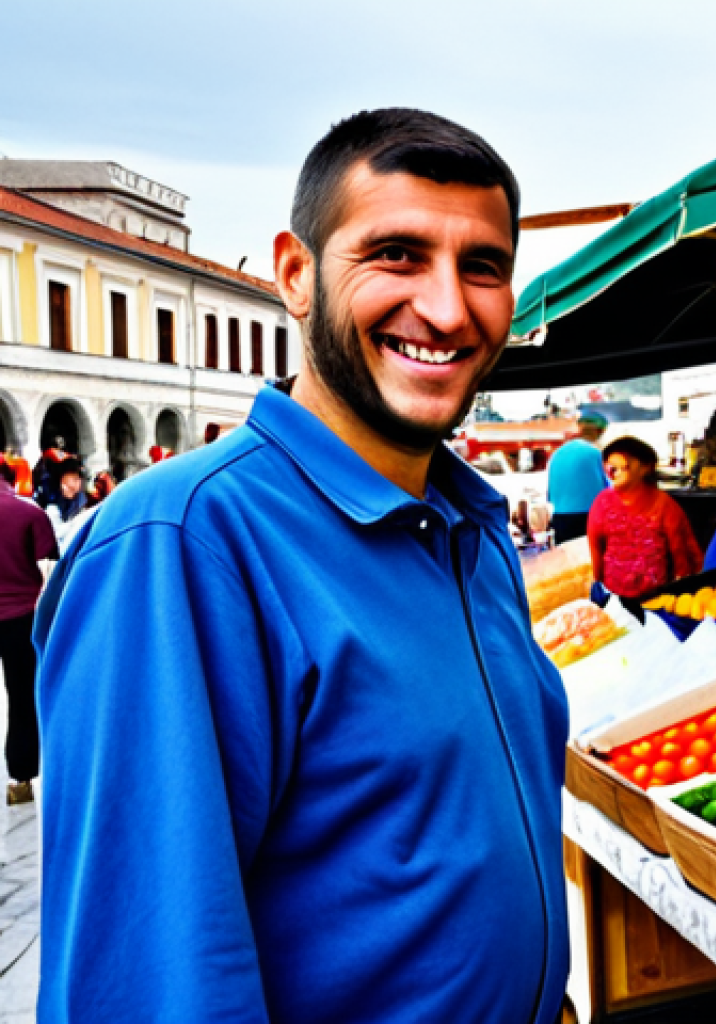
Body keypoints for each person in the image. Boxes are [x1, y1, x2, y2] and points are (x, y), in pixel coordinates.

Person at [35, 108, 569, 1024]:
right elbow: (152, 982)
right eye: (395, 254)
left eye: (481, 265)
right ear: (296, 274)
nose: (446, 309)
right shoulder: (185, 543)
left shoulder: (472, 530)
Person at [0, 460, 57, 805]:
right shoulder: (28, 513)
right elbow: (50, 559)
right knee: (22, 697)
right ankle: (20, 779)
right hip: (19, 617)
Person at [588, 435, 703, 599]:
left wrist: (680, 592)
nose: (614, 471)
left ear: (646, 467)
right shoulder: (602, 502)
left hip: (657, 597)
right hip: (614, 598)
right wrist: (597, 587)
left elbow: (681, 553)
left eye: (624, 464)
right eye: (610, 466)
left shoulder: (664, 504)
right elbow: (595, 549)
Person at [547, 411, 608, 543]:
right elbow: (609, 488)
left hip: (560, 518)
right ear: (599, 431)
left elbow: (550, 494)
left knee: (569, 562)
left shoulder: (558, 453)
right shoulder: (595, 453)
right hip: (588, 518)